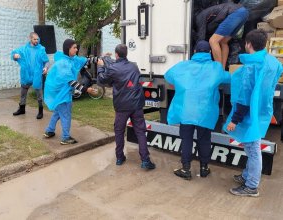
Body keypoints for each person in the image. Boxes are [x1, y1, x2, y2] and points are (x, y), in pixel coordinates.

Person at [224, 29, 283, 197]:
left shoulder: (250, 67)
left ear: (248, 44)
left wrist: (234, 120)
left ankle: (251, 186)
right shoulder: (273, 62)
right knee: (253, 145)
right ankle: (246, 176)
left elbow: (244, 97)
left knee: (253, 149)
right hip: (263, 110)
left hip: (250, 113)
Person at [164, 40, 231, 180]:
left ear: (194, 52)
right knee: (204, 139)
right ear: (210, 53)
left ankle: (186, 169)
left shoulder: (183, 66)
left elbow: (168, 75)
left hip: (186, 111)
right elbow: (229, 78)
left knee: (186, 139)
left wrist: (180, 83)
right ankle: (204, 168)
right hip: (205, 113)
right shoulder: (216, 68)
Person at [97, 44, 156, 170]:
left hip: (122, 106)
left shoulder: (112, 68)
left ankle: (119, 157)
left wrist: (101, 67)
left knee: (119, 131)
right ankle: (145, 160)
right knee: (140, 131)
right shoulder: (134, 66)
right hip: (136, 105)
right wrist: (107, 60)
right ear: (126, 54)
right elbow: (119, 68)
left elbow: (102, 80)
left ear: (116, 54)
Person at [43, 39, 95, 145]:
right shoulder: (63, 63)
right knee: (66, 115)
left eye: (76, 47)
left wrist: (100, 59)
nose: (76, 50)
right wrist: (86, 89)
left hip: (61, 94)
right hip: (62, 94)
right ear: (68, 49)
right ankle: (65, 137)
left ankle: (49, 131)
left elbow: (85, 60)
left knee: (58, 112)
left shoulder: (72, 59)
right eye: (74, 48)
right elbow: (71, 82)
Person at [196, 2, 249, 67]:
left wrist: (196, 49)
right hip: (244, 13)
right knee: (223, 42)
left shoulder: (199, 18)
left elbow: (201, 38)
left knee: (213, 41)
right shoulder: (207, 13)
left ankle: (219, 69)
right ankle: (222, 69)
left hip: (235, 12)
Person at [11, 32, 49, 119]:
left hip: (37, 74)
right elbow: (14, 53)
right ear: (30, 39)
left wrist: (46, 68)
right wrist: (14, 56)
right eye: (35, 39)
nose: (37, 41)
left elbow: (46, 61)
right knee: (23, 93)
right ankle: (22, 109)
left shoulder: (41, 49)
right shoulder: (24, 49)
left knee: (39, 93)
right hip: (26, 74)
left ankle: (40, 111)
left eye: (37, 39)